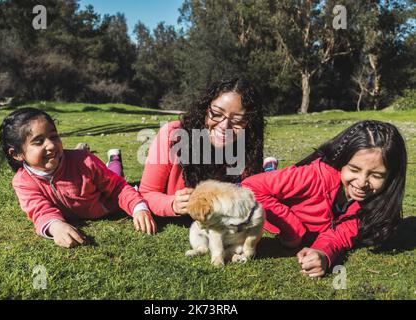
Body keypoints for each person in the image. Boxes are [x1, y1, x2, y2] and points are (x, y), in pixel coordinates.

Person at [242, 120, 407, 277]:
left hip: (292, 196)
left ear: (391, 178)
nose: (362, 182)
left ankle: (270, 170)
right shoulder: (313, 176)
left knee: (275, 180)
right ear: (342, 161)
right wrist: (293, 232)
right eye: (354, 169)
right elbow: (250, 187)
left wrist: (323, 253)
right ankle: (269, 169)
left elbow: (338, 236)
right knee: (269, 180)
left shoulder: (371, 206)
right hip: (278, 211)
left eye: (376, 175)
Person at [0, 107, 156, 248]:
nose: (51, 145)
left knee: (115, 176)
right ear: (17, 154)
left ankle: (114, 159)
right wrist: (56, 226)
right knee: (112, 172)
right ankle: (113, 159)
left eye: (53, 136)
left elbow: (118, 188)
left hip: (106, 203)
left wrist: (139, 208)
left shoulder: (85, 161)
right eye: (38, 142)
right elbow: (39, 209)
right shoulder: (22, 182)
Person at [139, 76, 272, 223]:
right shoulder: (173, 135)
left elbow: (252, 199)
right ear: (205, 109)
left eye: (237, 120)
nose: (224, 126)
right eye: (216, 113)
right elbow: (146, 193)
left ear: (249, 124)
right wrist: (172, 204)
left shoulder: (247, 146)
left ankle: (268, 169)